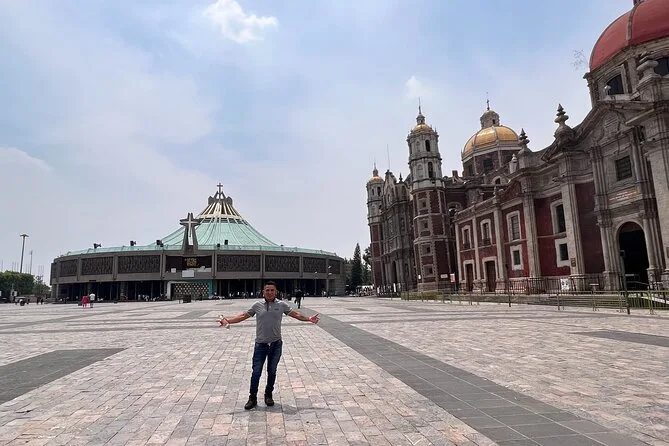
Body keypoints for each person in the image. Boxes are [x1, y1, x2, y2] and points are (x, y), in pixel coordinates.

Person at [217, 281, 319, 410]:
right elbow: (243, 316)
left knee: (272, 371)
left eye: (272, 290)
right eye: (267, 290)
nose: (270, 292)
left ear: (276, 292)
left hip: (276, 344)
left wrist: (308, 318)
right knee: (256, 372)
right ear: (263, 292)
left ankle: (268, 395)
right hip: (261, 344)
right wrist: (228, 320)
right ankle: (252, 397)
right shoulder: (257, 305)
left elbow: (296, 314)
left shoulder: (281, 305)